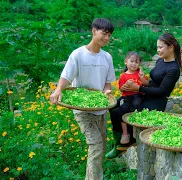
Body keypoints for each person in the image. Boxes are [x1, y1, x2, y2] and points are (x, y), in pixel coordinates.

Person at [49, 18, 115, 180]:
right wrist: (58, 90)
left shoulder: (107, 57)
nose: (107, 38)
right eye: (104, 34)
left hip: (99, 108)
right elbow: (66, 76)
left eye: (109, 35)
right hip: (82, 109)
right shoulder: (78, 54)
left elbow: (107, 84)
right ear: (94, 31)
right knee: (96, 145)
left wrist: (107, 92)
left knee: (102, 146)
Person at [105, 32, 182, 159]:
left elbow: (162, 91)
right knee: (114, 107)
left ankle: (128, 142)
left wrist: (139, 88)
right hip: (145, 92)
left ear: (171, 47)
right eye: (157, 47)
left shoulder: (174, 69)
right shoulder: (160, 60)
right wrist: (133, 85)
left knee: (129, 110)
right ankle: (120, 142)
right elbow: (152, 81)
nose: (158, 50)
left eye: (160, 47)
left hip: (156, 101)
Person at [118, 52, 149, 144]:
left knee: (136, 105)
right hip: (126, 96)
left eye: (136, 62)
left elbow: (147, 84)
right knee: (122, 109)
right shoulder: (123, 76)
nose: (134, 64)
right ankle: (125, 133)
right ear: (125, 62)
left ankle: (135, 129)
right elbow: (121, 89)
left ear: (139, 64)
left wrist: (142, 78)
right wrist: (126, 85)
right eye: (131, 61)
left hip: (137, 95)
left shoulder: (139, 74)